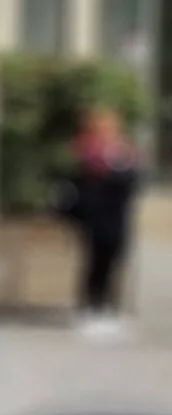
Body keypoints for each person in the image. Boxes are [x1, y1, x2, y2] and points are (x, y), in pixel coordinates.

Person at [72, 103, 144, 339]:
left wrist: (116, 176)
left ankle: (109, 310)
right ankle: (89, 310)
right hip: (95, 217)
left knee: (115, 261)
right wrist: (115, 176)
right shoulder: (89, 152)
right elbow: (89, 179)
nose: (108, 132)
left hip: (119, 216)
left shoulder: (124, 151)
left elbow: (133, 179)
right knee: (95, 262)